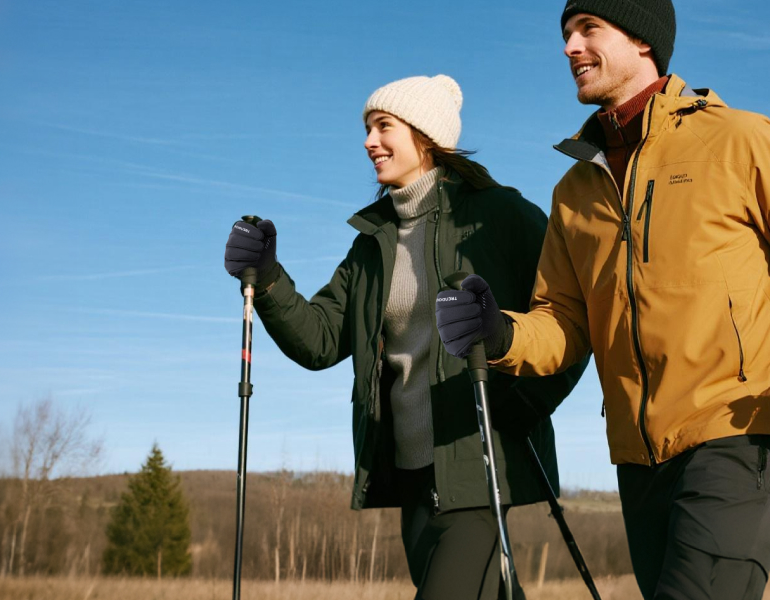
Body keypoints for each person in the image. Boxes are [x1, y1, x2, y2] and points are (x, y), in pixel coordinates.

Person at [434, 2, 770, 598]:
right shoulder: (574, 189)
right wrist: (502, 335)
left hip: (737, 428)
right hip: (637, 457)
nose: (569, 47)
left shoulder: (739, 138)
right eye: (566, 34)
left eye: (588, 29)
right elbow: (565, 322)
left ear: (643, 40)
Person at [225, 74, 586, 599]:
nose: (369, 141)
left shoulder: (500, 216)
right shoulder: (373, 243)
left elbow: (571, 321)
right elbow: (322, 339)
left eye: (383, 126)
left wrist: (524, 406)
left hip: (479, 466)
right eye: (368, 128)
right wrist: (271, 279)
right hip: (412, 478)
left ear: (425, 133)